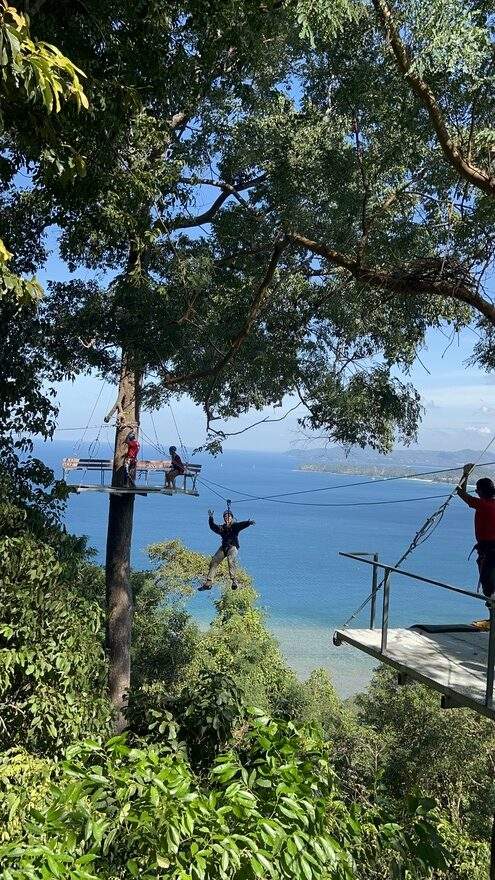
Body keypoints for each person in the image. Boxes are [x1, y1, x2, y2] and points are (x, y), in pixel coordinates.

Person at [456, 463, 495, 598]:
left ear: (481, 492)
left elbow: (460, 492)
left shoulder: (482, 504)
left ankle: (493, 615)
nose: (476, 493)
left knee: (489, 588)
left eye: (477, 490)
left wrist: (466, 474)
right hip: (489, 549)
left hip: (488, 551)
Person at [199, 508, 255, 591]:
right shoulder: (222, 528)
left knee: (230, 560)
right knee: (214, 561)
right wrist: (211, 518)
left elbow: (241, 525)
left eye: (228, 517)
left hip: (233, 547)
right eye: (225, 517)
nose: (227, 518)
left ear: (231, 518)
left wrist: (248, 523)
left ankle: (234, 581)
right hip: (224, 547)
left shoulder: (234, 526)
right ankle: (209, 582)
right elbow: (213, 526)